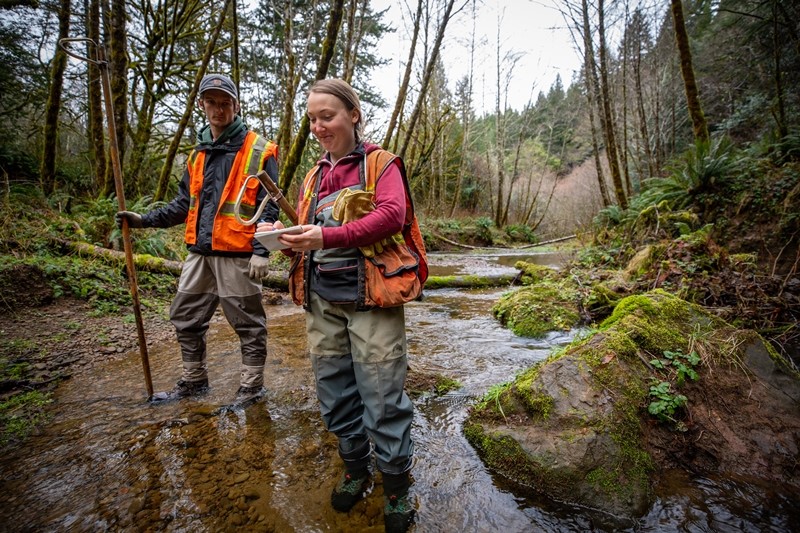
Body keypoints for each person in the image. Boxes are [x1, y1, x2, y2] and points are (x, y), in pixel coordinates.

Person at [256, 79, 423, 533]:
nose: (318, 126)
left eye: (326, 116)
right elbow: (307, 234)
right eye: (312, 118)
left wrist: (326, 235)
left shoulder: (381, 164)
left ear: (353, 114)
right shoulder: (313, 176)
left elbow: (392, 215)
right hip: (321, 301)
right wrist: (282, 238)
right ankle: (355, 470)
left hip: (372, 300)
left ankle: (396, 489)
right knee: (334, 392)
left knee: (382, 398)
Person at [116, 73, 279, 403]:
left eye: (225, 103)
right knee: (186, 317)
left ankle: (251, 388)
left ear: (236, 106)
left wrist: (262, 251)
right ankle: (194, 381)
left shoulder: (260, 150)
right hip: (200, 255)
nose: (218, 109)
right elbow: (182, 205)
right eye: (211, 102)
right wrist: (144, 220)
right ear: (201, 105)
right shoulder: (197, 155)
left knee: (248, 325)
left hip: (238, 255)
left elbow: (270, 205)